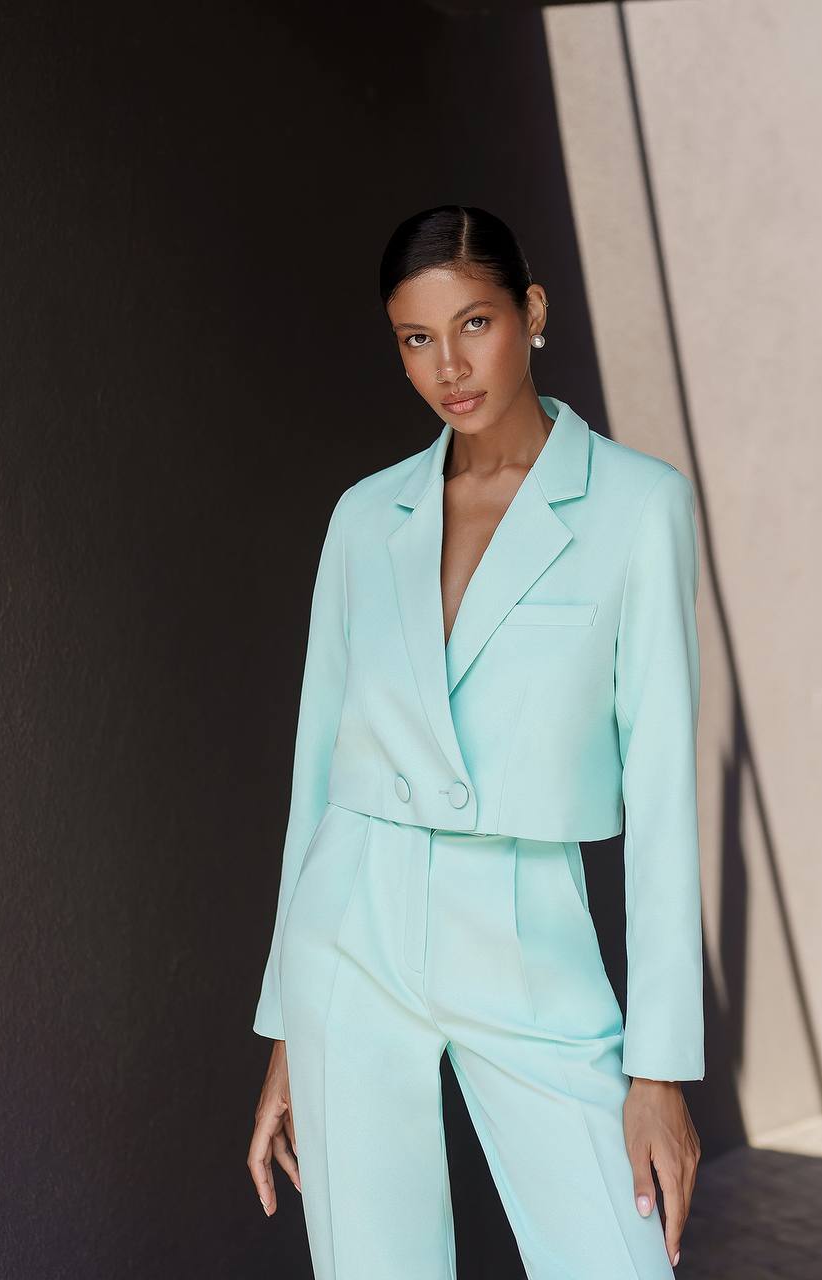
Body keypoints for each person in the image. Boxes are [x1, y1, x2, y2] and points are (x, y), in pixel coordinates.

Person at [246, 204, 704, 1279]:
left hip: (526, 931)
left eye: (475, 323)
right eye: (415, 338)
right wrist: (283, 1027)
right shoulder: (365, 517)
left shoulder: (638, 507)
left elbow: (666, 795)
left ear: (532, 313)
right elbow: (317, 773)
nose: (448, 365)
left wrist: (659, 1067)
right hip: (350, 934)